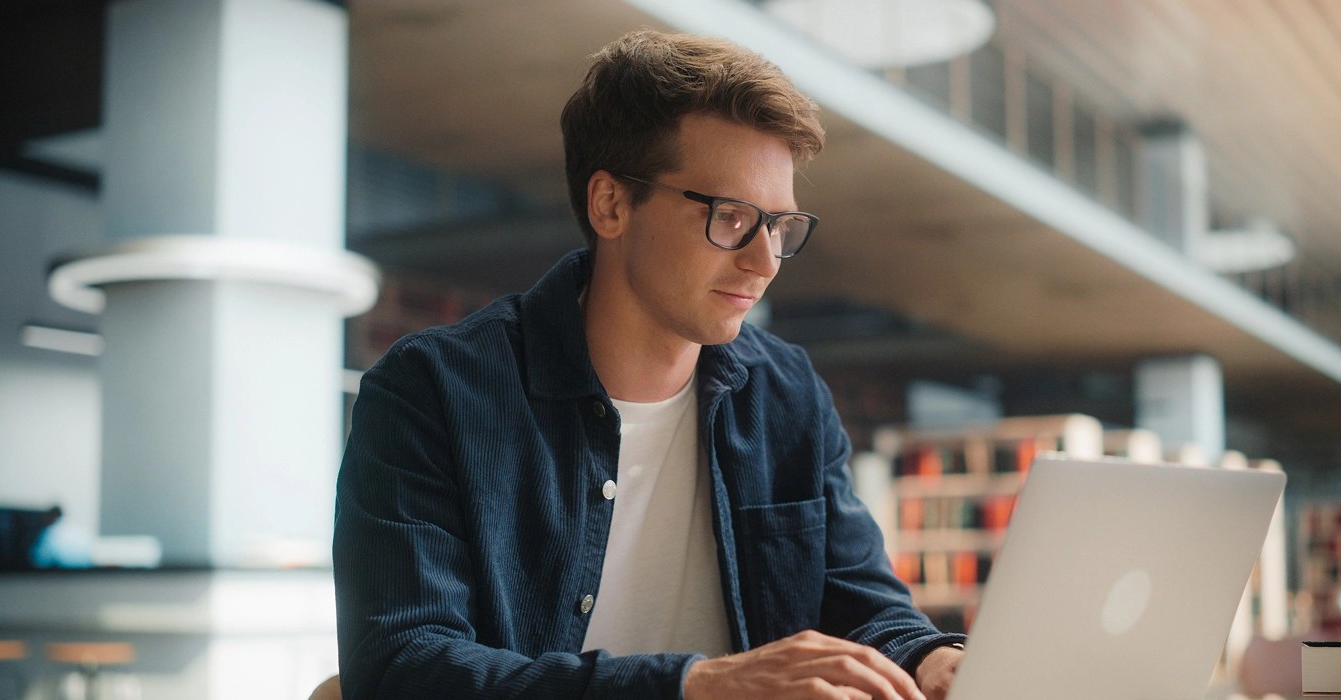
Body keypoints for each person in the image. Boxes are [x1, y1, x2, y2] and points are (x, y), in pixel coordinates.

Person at [333, 29, 966, 700]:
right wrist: (692, 685)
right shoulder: (433, 391)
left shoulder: (788, 393)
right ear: (610, 204)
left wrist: (932, 657)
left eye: (779, 225)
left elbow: (863, 604)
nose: (764, 261)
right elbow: (400, 666)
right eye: (731, 216)